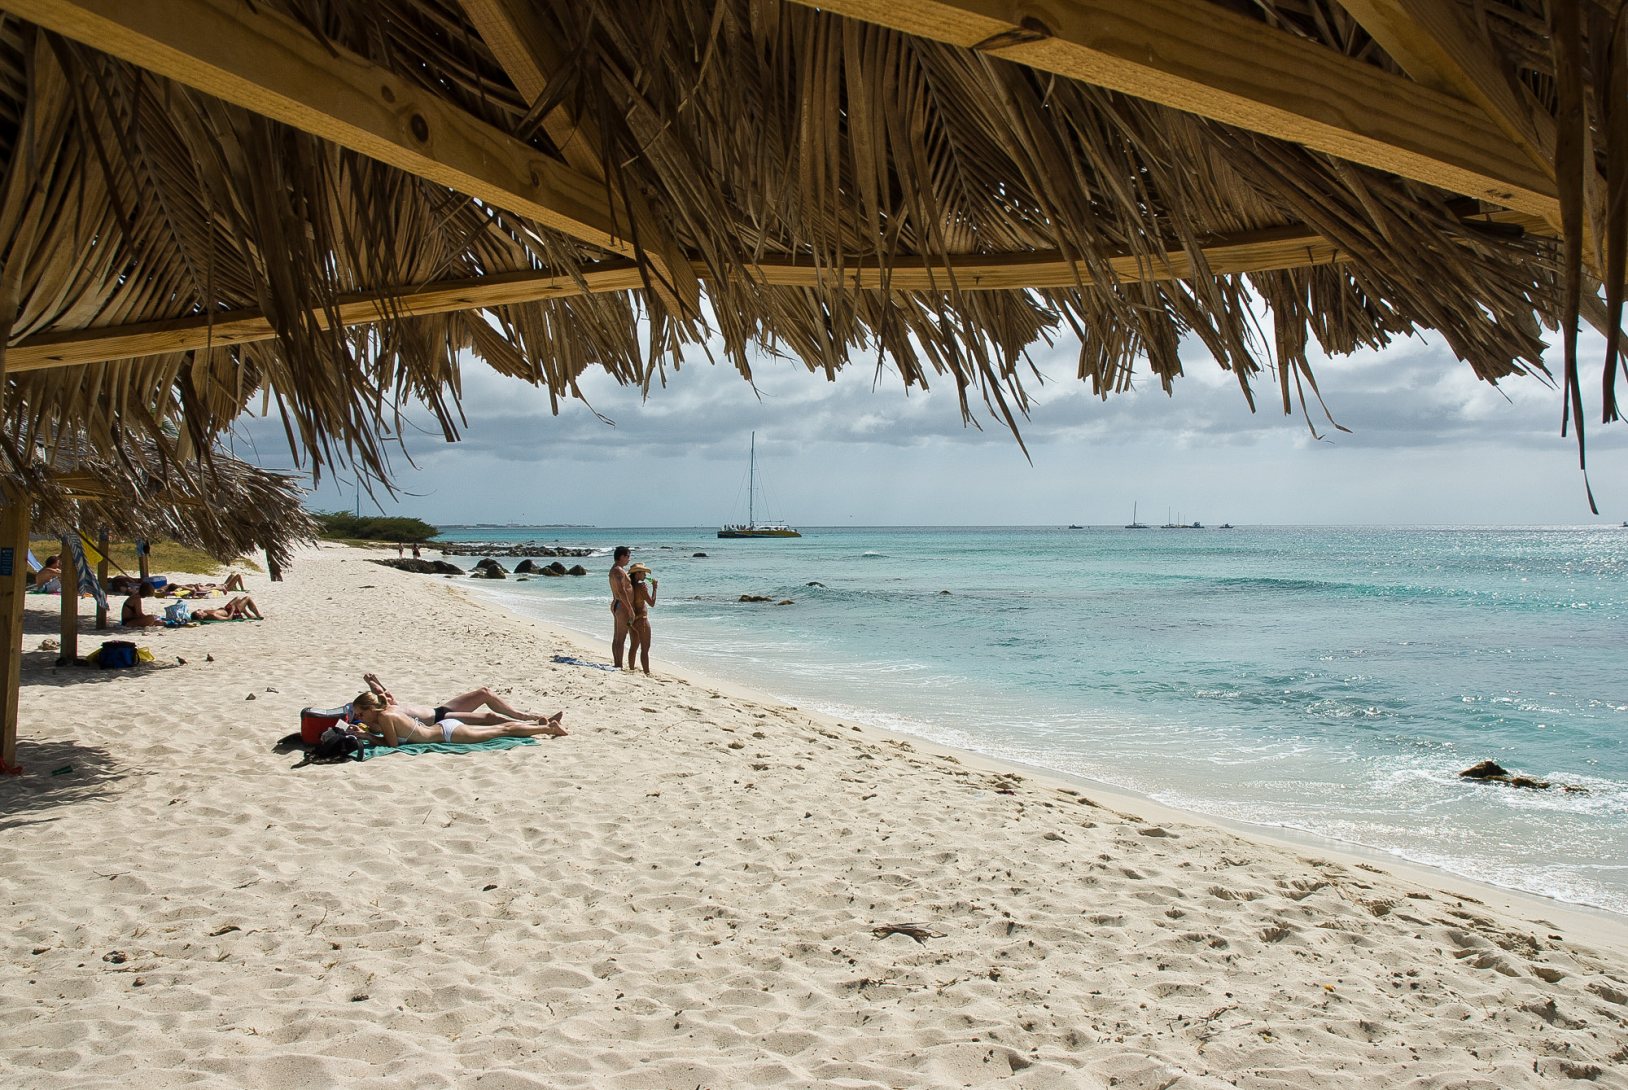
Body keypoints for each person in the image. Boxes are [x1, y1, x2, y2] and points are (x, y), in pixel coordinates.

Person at [350, 690, 566, 746]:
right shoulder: (390, 711)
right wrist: (366, 731)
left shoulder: (385, 716)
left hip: (447, 733)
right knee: (496, 725)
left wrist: (367, 737)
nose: (359, 717)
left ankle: (548, 729)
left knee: (503, 730)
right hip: (444, 727)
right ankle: (541, 725)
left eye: (360, 713)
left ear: (371, 708)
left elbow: (392, 744)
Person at [360, 672, 563, 730]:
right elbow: (380, 695)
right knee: (489, 717)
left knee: (484, 692)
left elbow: (385, 693)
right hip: (440, 721)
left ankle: (528, 716)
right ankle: (535, 725)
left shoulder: (389, 706)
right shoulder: (382, 718)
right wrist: (372, 684)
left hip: (439, 709)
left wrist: (374, 681)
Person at [626, 563, 658, 675]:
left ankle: (631, 669)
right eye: (643, 572)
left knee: (633, 646)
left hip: (632, 620)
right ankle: (647, 673)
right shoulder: (641, 587)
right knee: (645, 649)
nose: (645, 575)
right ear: (637, 573)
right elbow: (652, 603)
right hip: (642, 620)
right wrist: (655, 588)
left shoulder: (629, 586)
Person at [608, 546, 635, 667]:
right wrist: (630, 608)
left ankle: (617, 663)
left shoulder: (616, 569)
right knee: (621, 638)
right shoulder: (618, 571)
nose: (629, 559)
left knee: (617, 637)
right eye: (628, 556)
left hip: (618, 604)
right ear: (622, 557)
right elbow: (621, 591)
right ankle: (618, 665)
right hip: (622, 605)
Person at [191, 594, 263, 620]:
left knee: (237, 598)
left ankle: (248, 615)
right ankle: (258, 615)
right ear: (201, 617)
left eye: (198, 610)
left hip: (226, 609)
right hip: (232, 613)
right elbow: (228, 619)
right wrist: (232, 610)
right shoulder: (213, 615)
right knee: (247, 598)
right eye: (199, 612)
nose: (199, 610)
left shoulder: (205, 611)